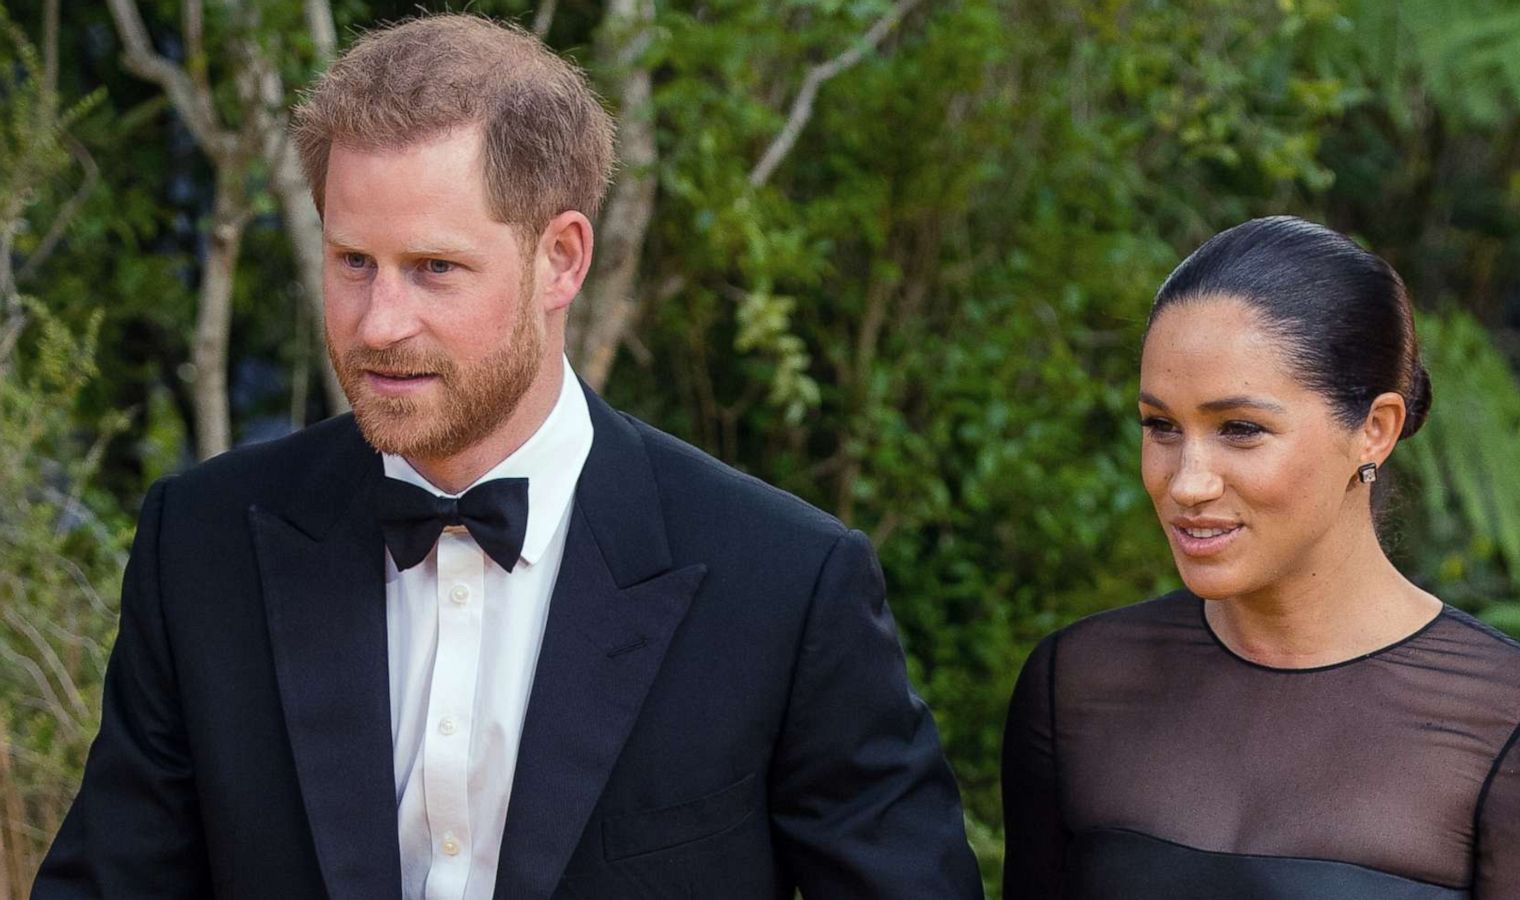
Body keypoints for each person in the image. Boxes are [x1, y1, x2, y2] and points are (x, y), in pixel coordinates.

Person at [35, 15, 981, 900]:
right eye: (352, 261)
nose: (379, 322)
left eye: (435, 269)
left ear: (561, 260)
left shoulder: (783, 580)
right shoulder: (200, 544)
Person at [1001, 216, 1520, 899]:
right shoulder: (1077, 685)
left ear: (1375, 430)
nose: (1187, 482)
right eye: (1161, 426)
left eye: (1241, 429)